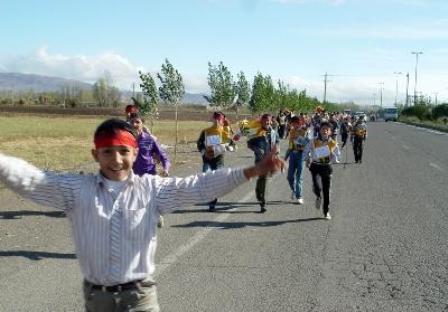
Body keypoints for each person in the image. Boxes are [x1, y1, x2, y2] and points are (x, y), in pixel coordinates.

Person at [0, 118, 284, 312]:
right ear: (95, 154)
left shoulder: (151, 190)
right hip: (96, 300)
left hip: (139, 298)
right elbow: (32, 179)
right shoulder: (76, 190)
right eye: (107, 152)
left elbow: (198, 186)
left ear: (135, 154)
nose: (116, 159)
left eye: (124, 151)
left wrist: (253, 170)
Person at [129, 112, 170, 227]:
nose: (134, 124)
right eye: (132, 122)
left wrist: (165, 168)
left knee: (149, 199)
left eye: (137, 122)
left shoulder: (149, 139)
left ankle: (156, 214)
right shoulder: (126, 140)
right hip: (133, 175)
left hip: (149, 174)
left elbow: (163, 156)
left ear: (142, 124)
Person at [303, 121, 340, 220]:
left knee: (327, 190)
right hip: (315, 165)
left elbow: (337, 157)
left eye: (327, 130)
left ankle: (326, 211)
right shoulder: (313, 141)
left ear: (330, 132)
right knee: (316, 186)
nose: (325, 131)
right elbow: (306, 150)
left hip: (327, 167)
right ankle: (318, 196)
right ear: (319, 130)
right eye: (323, 129)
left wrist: (334, 155)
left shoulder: (333, 143)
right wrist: (307, 159)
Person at [196, 111, 232, 211]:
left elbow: (232, 143)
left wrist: (229, 147)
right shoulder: (206, 131)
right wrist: (204, 151)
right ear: (213, 119)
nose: (217, 121)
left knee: (216, 182)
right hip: (207, 160)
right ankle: (210, 199)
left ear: (222, 120)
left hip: (218, 161)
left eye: (219, 119)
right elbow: (199, 144)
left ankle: (212, 202)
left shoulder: (225, 132)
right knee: (207, 180)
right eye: (215, 118)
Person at [245, 114, 280, 213]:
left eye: (268, 121)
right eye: (265, 121)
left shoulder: (274, 132)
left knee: (264, 179)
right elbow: (249, 144)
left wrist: (277, 149)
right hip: (259, 160)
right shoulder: (257, 132)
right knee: (262, 179)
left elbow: (277, 141)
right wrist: (257, 149)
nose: (267, 123)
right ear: (261, 122)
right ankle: (259, 193)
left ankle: (263, 203)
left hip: (270, 160)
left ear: (271, 121)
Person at [284, 115, 310, 204]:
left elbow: (308, 146)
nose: (295, 125)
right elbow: (290, 146)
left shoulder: (304, 132)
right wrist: (285, 158)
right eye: (293, 123)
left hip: (301, 156)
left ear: (300, 123)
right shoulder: (291, 131)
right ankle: (294, 190)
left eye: (297, 123)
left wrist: (308, 159)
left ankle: (299, 196)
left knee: (299, 177)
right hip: (292, 155)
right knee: (290, 177)